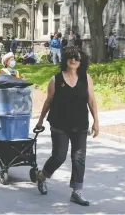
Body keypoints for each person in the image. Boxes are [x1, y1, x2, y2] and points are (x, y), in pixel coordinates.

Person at [35, 46, 99, 206]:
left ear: (81, 61)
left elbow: (91, 101)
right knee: (59, 156)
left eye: (77, 58)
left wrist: (96, 121)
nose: (73, 60)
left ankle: (76, 192)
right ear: (65, 60)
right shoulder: (56, 79)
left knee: (79, 159)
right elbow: (48, 101)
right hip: (59, 124)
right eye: (70, 57)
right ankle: (42, 176)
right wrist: (40, 120)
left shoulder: (86, 78)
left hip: (80, 125)